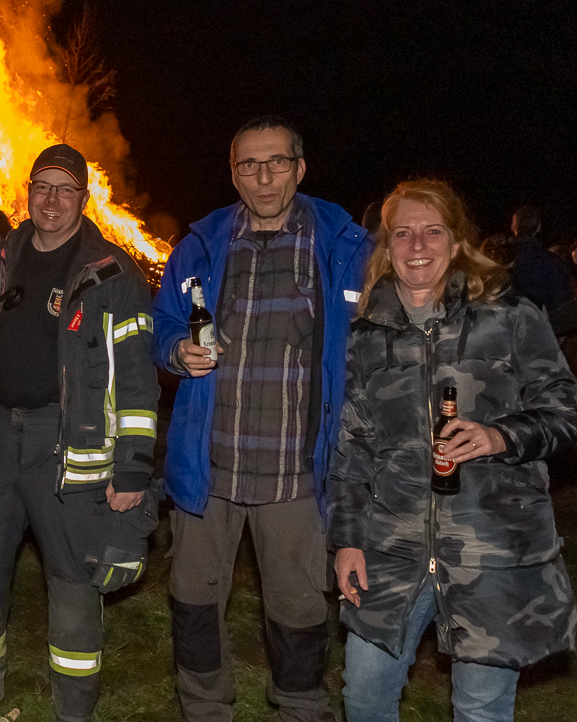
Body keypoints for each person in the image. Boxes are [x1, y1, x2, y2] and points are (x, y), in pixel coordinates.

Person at [329, 179, 577, 722]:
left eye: (432, 231)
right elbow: (352, 448)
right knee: (364, 698)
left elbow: (566, 411)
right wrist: (347, 541)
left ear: (457, 240)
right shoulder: (368, 335)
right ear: (387, 246)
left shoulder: (510, 317)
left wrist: (501, 435)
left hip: (493, 551)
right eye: (403, 233)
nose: (418, 246)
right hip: (392, 550)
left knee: (481, 708)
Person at [152, 116, 371, 722]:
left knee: (299, 610)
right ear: (233, 173)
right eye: (249, 164)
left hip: (296, 474)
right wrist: (175, 349)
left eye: (277, 162)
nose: (264, 176)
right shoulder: (200, 246)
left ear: (301, 168)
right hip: (209, 469)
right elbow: (164, 323)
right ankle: (203, 709)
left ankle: (300, 710)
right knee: (193, 601)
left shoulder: (344, 248)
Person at [0, 143, 161, 722]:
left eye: (65, 189)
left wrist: (134, 464)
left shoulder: (112, 273)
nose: (52, 199)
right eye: (42, 187)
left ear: (84, 199)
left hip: (68, 446)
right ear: (28, 194)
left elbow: (136, 377)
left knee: (73, 580)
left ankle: (74, 708)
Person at [509, 205, 574, 313]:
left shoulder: (499, 261)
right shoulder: (552, 262)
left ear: (513, 226)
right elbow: (565, 300)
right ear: (538, 227)